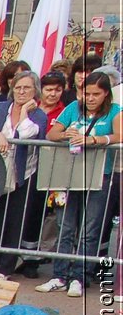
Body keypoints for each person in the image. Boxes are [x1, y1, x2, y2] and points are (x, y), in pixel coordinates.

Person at [40, 74, 120, 297]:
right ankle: (59, 275)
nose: (91, 98)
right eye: (87, 93)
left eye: (96, 94)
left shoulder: (114, 110)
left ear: (106, 94)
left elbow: (119, 134)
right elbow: (51, 132)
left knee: (89, 229)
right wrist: (67, 134)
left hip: (99, 175)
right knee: (65, 226)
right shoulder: (74, 107)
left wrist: (95, 139)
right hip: (70, 174)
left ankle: (79, 277)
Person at [0, 71, 48, 278]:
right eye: (18, 87)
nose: (21, 91)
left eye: (27, 88)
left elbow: (25, 133)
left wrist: (24, 111)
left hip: (23, 174)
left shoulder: (38, 115)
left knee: (16, 221)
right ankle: (0, 256)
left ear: (35, 91)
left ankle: (5, 267)